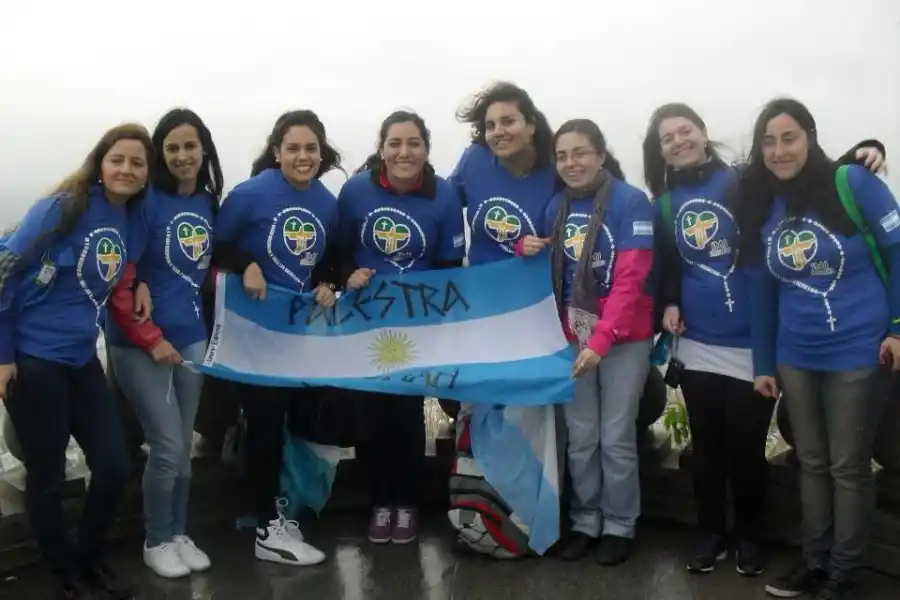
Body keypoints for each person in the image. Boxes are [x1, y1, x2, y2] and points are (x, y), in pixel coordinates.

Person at [644, 103, 886, 577]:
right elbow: (670, 265)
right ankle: (711, 532)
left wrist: (862, 152)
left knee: (747, 446)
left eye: (685, 129)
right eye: (666, 137)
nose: (678, 140)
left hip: (758, 341)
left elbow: (799, 178)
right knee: (708, 446)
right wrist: (669, 303)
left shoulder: (742, 180)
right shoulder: (664, 205)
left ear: (702, 131)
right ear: (659, 152)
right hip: (698, 341)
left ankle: (750, 538)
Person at [738, 98, 898, 600]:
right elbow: (761, 292)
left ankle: (842, 573)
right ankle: (813, 562)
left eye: (789, 137)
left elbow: (897, 250)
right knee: (810, 460)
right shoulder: (763, 203)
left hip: (859, 348)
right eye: (768, 141)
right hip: (796, 353)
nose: (779, 150)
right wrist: (764, 363)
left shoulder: (852, 183)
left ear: (810, 137)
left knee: (849, 464)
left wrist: (897, 326)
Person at [0, 123, 153, 600]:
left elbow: (126, 267)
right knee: (47, 477)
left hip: (82, 357)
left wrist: (141, 280)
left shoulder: (133, 217)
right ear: (100, 164)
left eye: (137, 162)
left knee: (112, 465)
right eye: (118, 159)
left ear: (147, 174)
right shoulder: (63, 208)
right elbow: (5, 274)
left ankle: (89, 560)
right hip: (34, 361)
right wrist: (2, 356)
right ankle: (66, 575)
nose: (126, 169)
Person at [519, 119, 655, 565]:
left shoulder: (632, 203)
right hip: (572, 338)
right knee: (581, 437)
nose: (570, 163)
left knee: (616, 436)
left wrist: (602, 338)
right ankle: (584, 519)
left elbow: (631, 279)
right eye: (562, 155)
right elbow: (545, 269)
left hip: (622, 339)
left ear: (600, 154)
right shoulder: (556, 206)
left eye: (580, 153)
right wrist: (525, 249)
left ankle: (620, 523)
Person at [212, 109, 342, 566]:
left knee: (296, 422)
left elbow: (328, 259)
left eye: (311, 148)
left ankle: (281, 511)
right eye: (293, 148)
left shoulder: (327, 202)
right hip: (252, 333)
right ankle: (267, 529)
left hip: (298, 334)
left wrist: (330, 282)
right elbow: (216, 246)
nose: (303, 156)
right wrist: (245, 262)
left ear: (321, 153)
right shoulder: (250, 194)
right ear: (276, 151)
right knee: (264, 424)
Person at [338, 110, 466, 544]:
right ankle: (379, 502)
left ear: (426, 149)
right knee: (370, 416)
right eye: (394, 143)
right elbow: (337, 252)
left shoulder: (444, 195)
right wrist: (346, 276)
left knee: (408, 415)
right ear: (382, 148)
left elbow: (450, 266)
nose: (404, 152)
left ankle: (407, 504)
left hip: (417, 323)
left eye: (413, 143)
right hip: (365, 322)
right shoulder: (356, 190)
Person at [105, 108, 223, 578]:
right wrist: (148, 331)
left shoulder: (209, 203)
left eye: (190, 146)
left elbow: (208, 267)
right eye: (171, 148)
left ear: (204, 150)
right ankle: (156, 539)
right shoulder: (145, 200)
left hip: (192, 335)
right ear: (160, 154)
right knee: (168, 445)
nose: (181, 156)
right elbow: (122, 271)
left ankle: (178, 531)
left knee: (184, 444)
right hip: (139, 342)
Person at [446, 81, 562, 558]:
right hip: (481, 310)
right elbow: (439, 201)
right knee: (477, 411)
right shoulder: (474, 163)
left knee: (525, 415)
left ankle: (525, 519)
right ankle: (474, 518)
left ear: (530, 124)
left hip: (535, 313)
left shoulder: (556, 171)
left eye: (508, 121)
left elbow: (575, 230)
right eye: (490, 124)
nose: (498, 132)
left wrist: (542, 245)